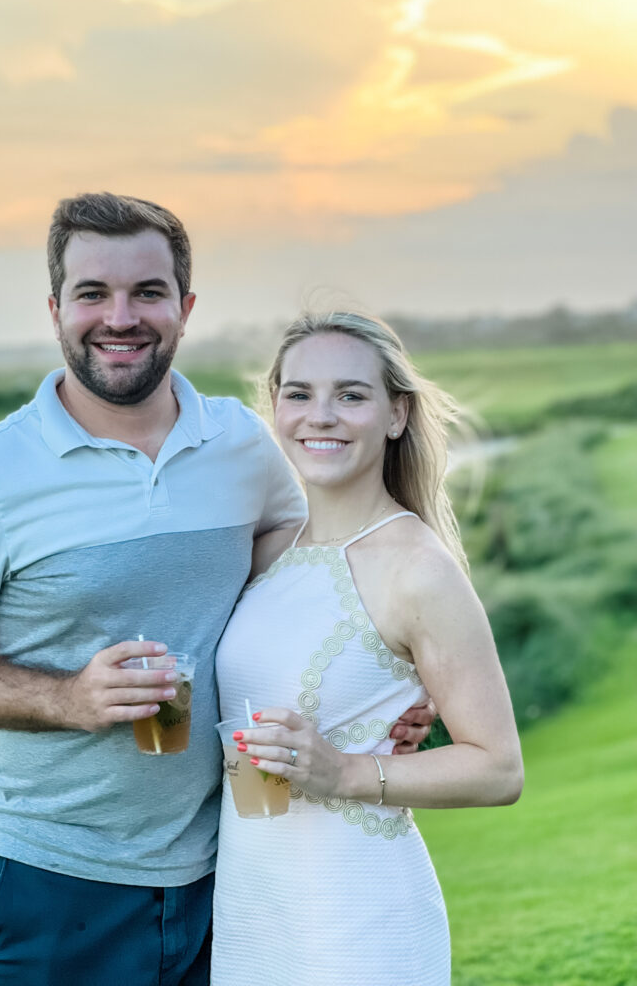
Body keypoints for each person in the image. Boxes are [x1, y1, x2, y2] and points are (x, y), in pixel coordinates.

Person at [0, 194, 433, 986]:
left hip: (232, 867)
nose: (120, 317)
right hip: (53, 879)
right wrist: (69, 697)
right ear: (56, 309)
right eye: (92, 294)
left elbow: (324, 580)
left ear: (184, 308)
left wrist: (392, 691)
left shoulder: (242, 443)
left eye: (147, 292)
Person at [212, 312, 524, 986]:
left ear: (395, 415)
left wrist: (347, 772)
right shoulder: (269, 551)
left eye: (350, 395)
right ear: (275, 408)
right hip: (252, 909)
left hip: (357, 918)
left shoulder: (418, 568)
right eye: (298, 394)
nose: (319, 416)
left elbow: (498, 768)